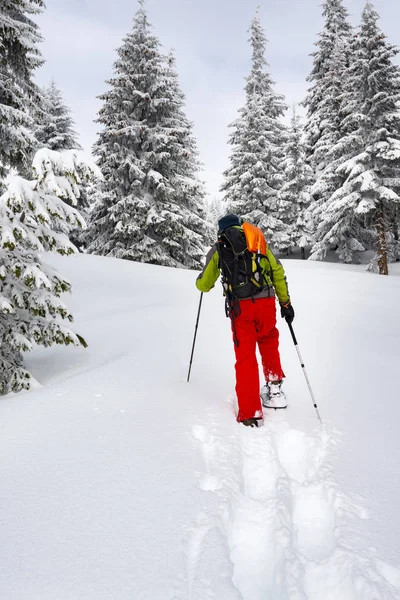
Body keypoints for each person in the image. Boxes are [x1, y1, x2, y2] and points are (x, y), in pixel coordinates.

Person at [196, 214, 295, 427]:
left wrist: (200, 280)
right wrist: (285, 303)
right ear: (241, 226)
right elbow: (277, 271)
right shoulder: (257, 241)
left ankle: (250, 412)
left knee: (246, 357)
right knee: (269, 340)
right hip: (266, 302)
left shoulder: (219, 248)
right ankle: (275, 388)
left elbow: (204, 285)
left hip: (241, 308)